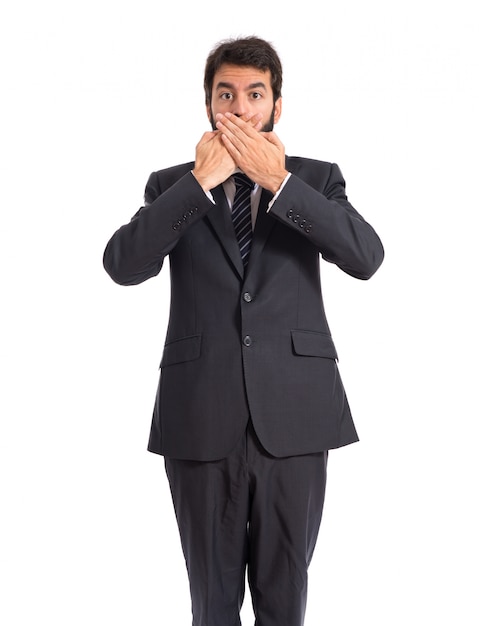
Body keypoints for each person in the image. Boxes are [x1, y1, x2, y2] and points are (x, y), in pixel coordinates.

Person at [103, 35, 384, 626]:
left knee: (286, 605)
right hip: (201, 417)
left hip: (297, 416)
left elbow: (366, 257)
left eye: (254, 94)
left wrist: (279, 183)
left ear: (277, 106)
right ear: (209, 106)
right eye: (225, 94)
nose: (239, 108)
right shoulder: (170, 186)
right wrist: (198, 186)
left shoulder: (316, 178)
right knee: (212, 606)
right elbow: (123, 265)